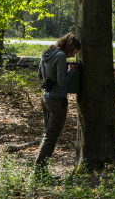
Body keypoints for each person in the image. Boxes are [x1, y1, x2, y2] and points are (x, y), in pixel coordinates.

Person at [34, 33, 81, 174]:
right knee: (51, 136)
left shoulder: (47, 52)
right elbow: (61, 82)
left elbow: (40, 76)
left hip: (45, 98)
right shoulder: (61, 56)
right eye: (74, 52)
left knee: (47, 134)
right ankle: (38, 171)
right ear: (70, 48)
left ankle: (40, 170)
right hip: (57, 100)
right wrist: (71, 72)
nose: (72, 56)